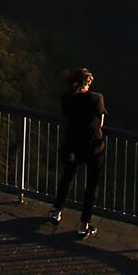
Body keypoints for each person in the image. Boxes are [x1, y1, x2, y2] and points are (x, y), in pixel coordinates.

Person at [47, 67, 105, 237]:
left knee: (67, 177)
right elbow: (100, 121)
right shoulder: (96, 98)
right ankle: (84, 224)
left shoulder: (66, 99)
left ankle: (56, 210)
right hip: (94, 147)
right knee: (91, 185)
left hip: (73, 146)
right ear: (87, 84)